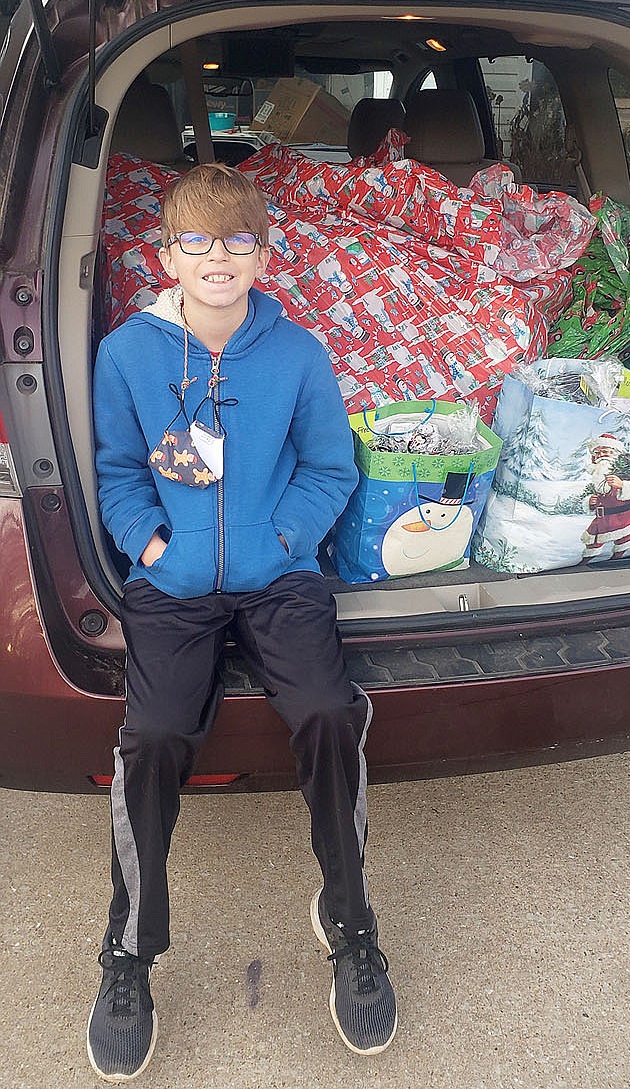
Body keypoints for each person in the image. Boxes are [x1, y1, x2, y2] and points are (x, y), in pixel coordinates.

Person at [88, 162, 397, 1081]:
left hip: (277, 576)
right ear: (167, 255)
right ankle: (128, 951)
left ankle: (349, 924)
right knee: (152, 734)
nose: (216, 257)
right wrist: (151, 549)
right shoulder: (128, 355)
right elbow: (115, 470)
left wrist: (284, 537)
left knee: (330, 711)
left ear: (262, 253)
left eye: (235, 241)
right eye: (196, 241)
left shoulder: (298, 352)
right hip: (173, 584)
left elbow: (331, 466)